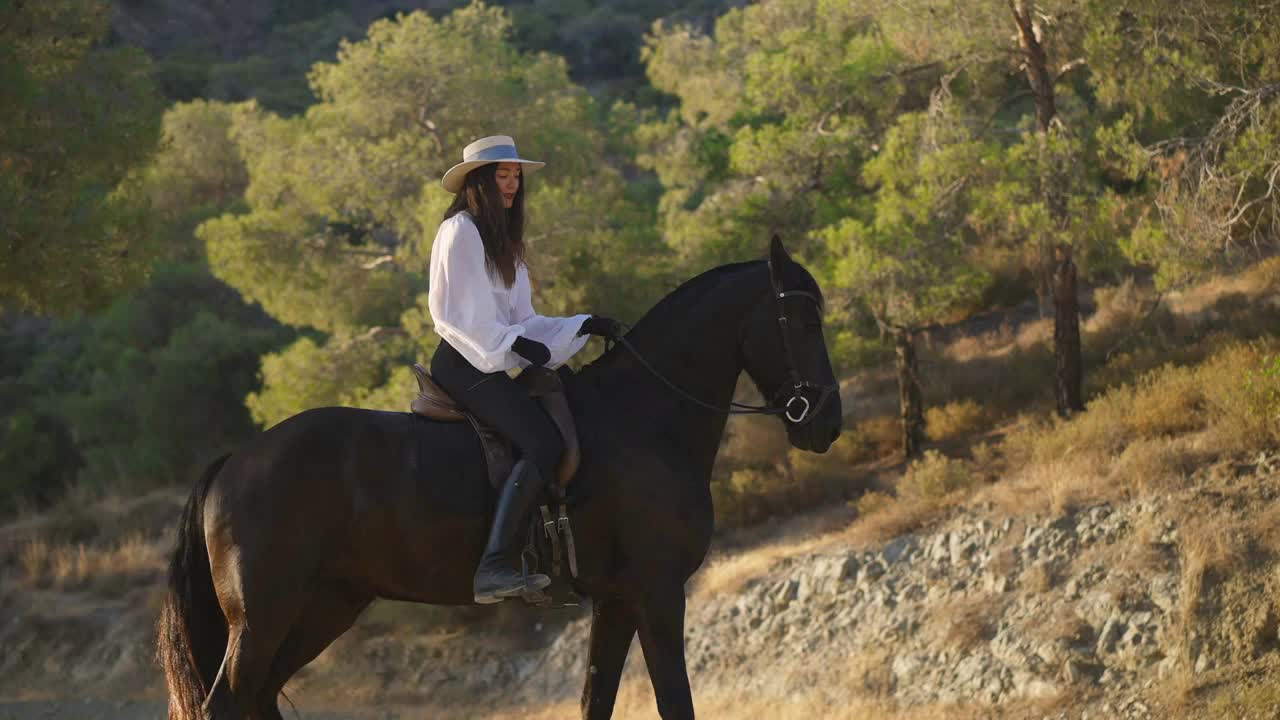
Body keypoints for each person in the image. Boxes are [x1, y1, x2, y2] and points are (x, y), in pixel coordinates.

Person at [428, 135, 621, 604]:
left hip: (492, 354)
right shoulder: (461, 232)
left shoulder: (503, 241)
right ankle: (494, 565)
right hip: (465, 359)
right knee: (542, 441)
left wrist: (583, 324)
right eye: (503, 175)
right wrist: (520, 346)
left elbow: (524, 319)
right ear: (480, 181)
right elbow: (466, 319)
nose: (513, 184)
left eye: (516, 175)